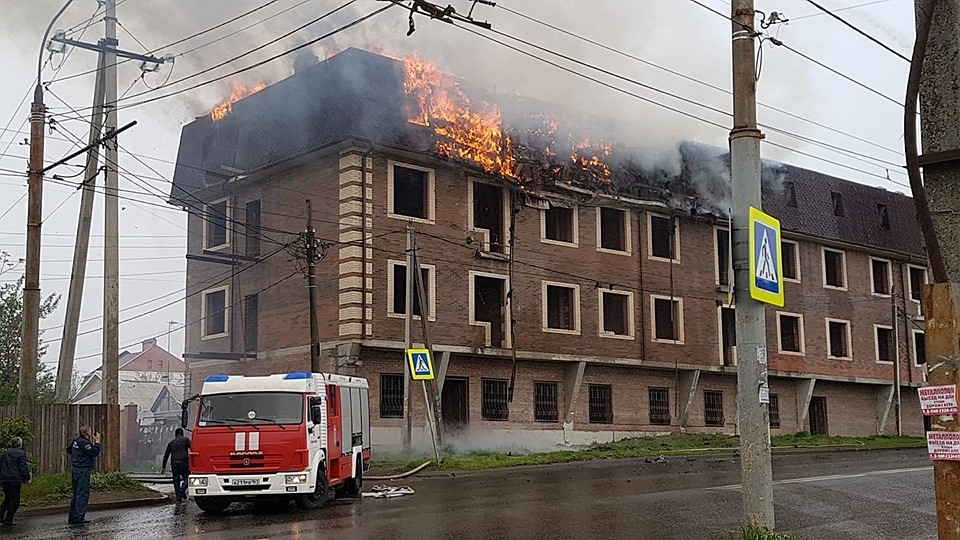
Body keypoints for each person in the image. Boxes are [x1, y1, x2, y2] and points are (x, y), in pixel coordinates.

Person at [67, 426, 101, 525]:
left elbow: (69, 450)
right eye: (90, 431)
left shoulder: (76, 441)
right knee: (82, 494)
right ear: (87, 433)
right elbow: (94, 452)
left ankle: (72, 516)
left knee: (76, 494)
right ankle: (79, 517)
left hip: (75, 470)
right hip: (83, 470)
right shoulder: (85, 443)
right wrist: (97, 442)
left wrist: (77, 456)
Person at [0, 437, 31, 526]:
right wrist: (27, 478)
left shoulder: (4, 453)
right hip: (14, 479)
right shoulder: (20, 453)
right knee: (15, 501)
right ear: (20, 445)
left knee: (7, 498)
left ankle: (1, 515)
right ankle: (8, 520)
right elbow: (23, 467)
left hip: (4, 479)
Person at [160, 428, 191, 503]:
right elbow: (193, 449)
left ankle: (178, 496)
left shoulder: (171, 443)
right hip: (184, 462)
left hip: (174, 463)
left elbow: (166, 456)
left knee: (176, 480)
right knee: (187, 478)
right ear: (182, 434)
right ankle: (182, 490)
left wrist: (163, 467)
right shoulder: (186, 440)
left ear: (175, 434)